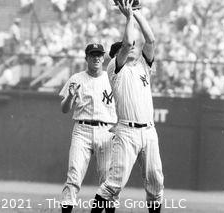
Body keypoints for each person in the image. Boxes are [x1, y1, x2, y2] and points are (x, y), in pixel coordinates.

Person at [90, 1, 164, 213]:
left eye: (132, 48)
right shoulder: (114, 68)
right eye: (126, 48)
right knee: (114, 184)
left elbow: (151, 39)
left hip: (149, 131)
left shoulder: (143, 67)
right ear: (117, 54)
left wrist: (138, 13)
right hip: (127, 132)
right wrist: (129, 16)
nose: (132, 48)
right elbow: (129, 41)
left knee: (156, 183)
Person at [59, 43, 117, 213]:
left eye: (99, 55)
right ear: (86, 58)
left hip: (107, 131)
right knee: (73, 175)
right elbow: (64, 109)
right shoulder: (76, 78)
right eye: (93, 55)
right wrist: (70, 97)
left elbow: (123, 103)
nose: (97, 58)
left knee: (108, 180)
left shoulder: (112, 77)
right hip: (82, 130)